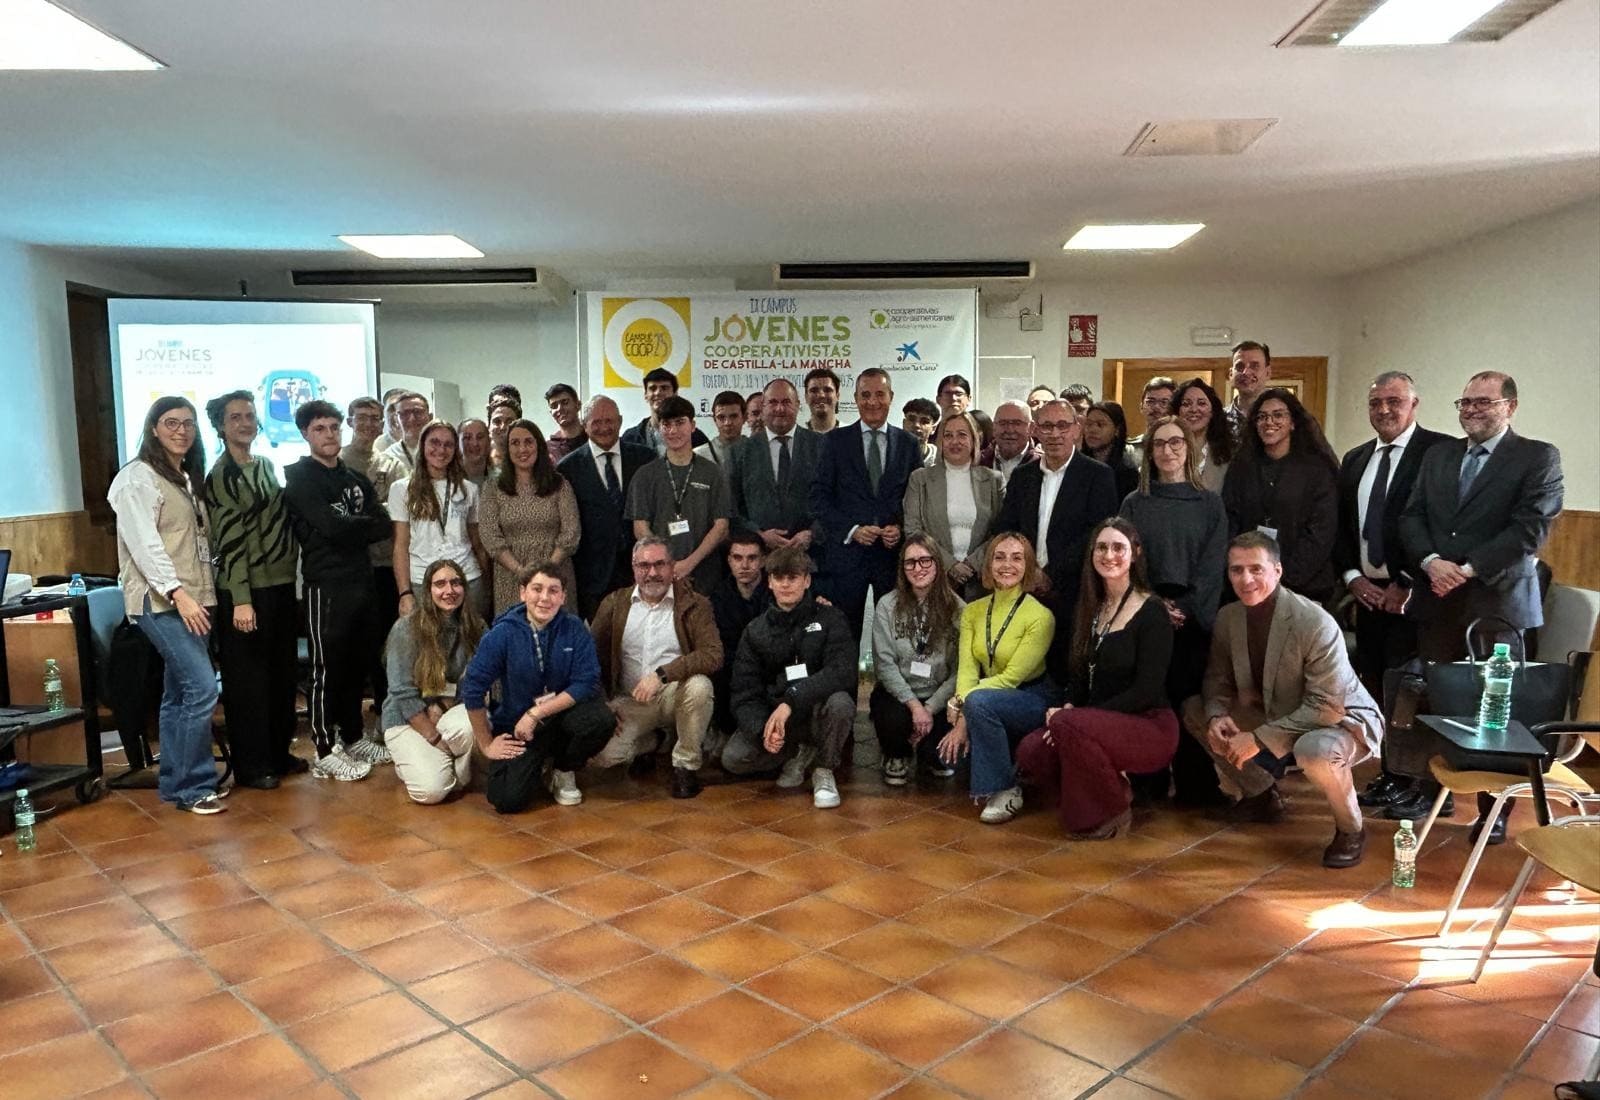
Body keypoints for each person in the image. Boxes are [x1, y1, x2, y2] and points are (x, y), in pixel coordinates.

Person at [1399, 370, 1564, 844]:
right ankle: (1432, 794)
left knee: (1497, 711)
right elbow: (1412, 516)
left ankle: (1494, 812)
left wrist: (1465, 569)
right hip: (1439, 603)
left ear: (1510, 406)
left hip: (1499, 606)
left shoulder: (1537, 457)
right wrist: (1431, 562)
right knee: (1437, 697)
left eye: (1483, 402)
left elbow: (1531, 529)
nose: (1471, 410)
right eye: (1464, 402)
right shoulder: (1439, 455)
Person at [1182, 533, 1382, 868]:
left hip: (1339, 719)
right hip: (1276, 709)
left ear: (1277, 570)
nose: (1246, 579)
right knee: (1196, 710)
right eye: (1237, 570)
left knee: (1314, 751)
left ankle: (1351, 829)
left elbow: (1326, 705)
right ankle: (1261, 796)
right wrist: (1217, 715)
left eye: (1256, 569)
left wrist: (1258, 739)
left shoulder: (1314, 622)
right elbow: (1217, 679)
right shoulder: (1228, 617)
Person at [1333, 372, 1454, 816]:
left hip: (1419, 594)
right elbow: (1343, 526)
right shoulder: (1355, 458)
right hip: (1368, 595)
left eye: (1394, 401)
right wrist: (1352, 577)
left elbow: (1440, 525)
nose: (1384, 410)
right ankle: (1394, 772)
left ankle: (1427, 787)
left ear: (1414, 404)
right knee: (1382, 687)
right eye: (1375, 403)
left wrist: (1406, 581)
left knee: (1418, 689)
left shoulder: (1439, 452)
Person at [1016, 518, 1176, 838]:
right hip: (1094, 722)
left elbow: (1147, 690)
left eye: (1119, 547)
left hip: (1149, 725)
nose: (1109, 555)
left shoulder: (1153, 611)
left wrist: (1077, 719)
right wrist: (1070, 706)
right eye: (1101, 547)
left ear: (1135, 554)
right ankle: (1114, 787)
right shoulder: (1092, 607)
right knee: (1030, 752)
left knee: (1064, 727)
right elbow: (1078, 675)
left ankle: (1111, 812)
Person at [108, 397, 226, 815]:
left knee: (179, 693)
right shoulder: (136, 479)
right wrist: (178, 592)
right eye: (171, 423)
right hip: (161, 601)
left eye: (189, 424)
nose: (181, 431)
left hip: (196, 597)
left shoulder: (184, 477)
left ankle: (176, 784)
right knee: (200, 688)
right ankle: (196, 787)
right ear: (153, 428)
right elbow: (145, 545)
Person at [1119, 415, 1229, 806]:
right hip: (1146, 611)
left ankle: (1196, 785)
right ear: (1149, 452)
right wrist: (1152, 605)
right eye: (1160, 444)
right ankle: (1147, 781)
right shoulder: (1135, 503)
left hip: (1193, 614)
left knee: (1188, 699)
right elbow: (1126, 561)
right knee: (1150, 697)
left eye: (1176, 442)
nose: (1168, 450)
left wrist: (1184, 607)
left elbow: (1213, 564)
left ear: (1189, 449)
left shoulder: (1209, 504)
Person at [282, 399, 393, 781]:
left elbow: (382, 524)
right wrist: (349, 526)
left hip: (361, 581)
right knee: (325, 669)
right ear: (305, 434)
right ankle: (325, 748)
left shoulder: (353, 478)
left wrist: (347, 525)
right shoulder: (300, 478)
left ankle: (353, 735)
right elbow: (330, 528)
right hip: (325, 586)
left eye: (333, 427)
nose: (329, 435)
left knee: (356, 664)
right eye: (319, 429)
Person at [203, 390, 300, 791]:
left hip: (279, 585)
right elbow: (229, 542)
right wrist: (241, 599)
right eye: (235, 417)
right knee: (249, 683)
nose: (245, 422)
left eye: (249, 415)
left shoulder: (264, 466)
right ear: (221, 426)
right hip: (245, 593)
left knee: (280, 675)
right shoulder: (222, 475)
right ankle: (252, 765)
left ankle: (278, 753)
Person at [460, 562, 615, 812]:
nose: (545, 598)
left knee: (601, 719)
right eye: (537, 589)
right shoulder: (502, 633)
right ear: (523, 593)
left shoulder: (575, 628)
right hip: (519, 725)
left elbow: (586, 681)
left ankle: (564, 769)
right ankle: (539, 765)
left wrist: (537, 713)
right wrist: (485, 743)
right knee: (506, 800)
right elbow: (473, 689)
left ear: (563, 597)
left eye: (553, 591)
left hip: (561, 717)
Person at [991, 398, 1119, 679]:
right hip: (1025, 587)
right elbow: (1007, 527)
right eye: (1047, 426)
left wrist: (1049, 574)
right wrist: (1029, 571)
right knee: (1025, 670)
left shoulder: (1097, 475)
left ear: (1077, 429)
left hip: (1074, 591)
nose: (1055, 434)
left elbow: (1096, 533)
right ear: (1035, 430)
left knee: (1067, 670)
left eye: (1062, 425)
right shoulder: (1023, 476)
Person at [721, 547, 857, 809]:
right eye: (779, 577)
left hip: (817, 711)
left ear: (806, 581)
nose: (785, 584)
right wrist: (763, 730)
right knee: (733, 758)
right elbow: (744, 692)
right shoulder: (755, 630)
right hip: (779, 720)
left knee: (841, 703)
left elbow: (842, 671)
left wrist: (792, 700)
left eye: (793, 577)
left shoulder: (830, 618)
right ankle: (797, 753)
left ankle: (823, 768)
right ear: (769, 581)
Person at [588, 537, 723, 799]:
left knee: (700, 687)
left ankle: (685, 766)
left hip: (675, 694)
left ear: (672, 567)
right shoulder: (615, 604)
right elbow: (590, 658)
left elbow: (713, 654)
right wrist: (601, 705)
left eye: (660, 564)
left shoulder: (695, 604)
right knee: (602, 756)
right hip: (630, 700)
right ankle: (657, 741)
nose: (652, 573)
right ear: (633, 567)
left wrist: (662, 675)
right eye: (644, 565)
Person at [937, 534, 1056, 825]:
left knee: (978, 706)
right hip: (985, 697)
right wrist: (963, 699)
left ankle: (1004, 790)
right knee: (946, 758)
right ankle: (999, 773)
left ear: (1028, 566)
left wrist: (964, 709)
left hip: (1031, 697)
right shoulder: (974, 611)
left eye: (1017, 558)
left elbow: (1010, 679)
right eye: (999, 557)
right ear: (988, 564)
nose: (1007, 565)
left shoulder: (1041, 616)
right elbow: (967, 668)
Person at [810, 368, 921, 644]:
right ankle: (844, 688)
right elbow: (819, 498)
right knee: (844, 632)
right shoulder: (835, 442)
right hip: (847, 556)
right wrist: (852, 529)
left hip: (892, 556)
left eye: (879, 394)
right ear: (856, 398)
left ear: (891, 397)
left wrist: (900, 527)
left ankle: (888, 688)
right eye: (866, 395)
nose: (873, 402)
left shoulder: (908, 444)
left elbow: (916, 497)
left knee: (896, 632)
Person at [380, 559, 485, 804]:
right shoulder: (406, 629)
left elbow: (479, 678)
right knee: (431, 792)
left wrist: (442, 706)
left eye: (456, 583)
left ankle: (444, 766)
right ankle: (423, 763)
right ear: (427, 591)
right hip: (407, 719)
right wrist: (434, 737)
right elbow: (402, 693)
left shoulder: (476, 626)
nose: (449, 590)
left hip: (448, 710)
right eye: (440, 584)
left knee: (478, 725)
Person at [1222, 388, 1339, 602]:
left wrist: (1281, 578)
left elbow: (1321, 532)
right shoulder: (1241, 467)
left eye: (1278, 415)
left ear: (1293, 422)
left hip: (1304, 587)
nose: (1269, 422)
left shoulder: (1317, 470)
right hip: (1248, 586)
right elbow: (1231, 520)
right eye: (1262, 417)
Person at [871, 535, 964, 785]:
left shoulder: (958, 608)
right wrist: (914, 707)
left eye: (925, 560)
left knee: (937, 755)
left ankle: (927, 754)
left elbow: (961, 670)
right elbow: (884, 664)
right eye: (910, 563)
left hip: (940, 696)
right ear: (902, 568)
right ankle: (896, 754)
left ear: (937, 564)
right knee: (891, 718)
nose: (918, 568)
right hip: (899, 694)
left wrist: (930, 708)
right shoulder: (886, 605)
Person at [558, 395, 656, 619]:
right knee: (601, 645)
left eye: (609, 421)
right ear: (584, 425)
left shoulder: (645, 459)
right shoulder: (568, 468)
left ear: (620, 422)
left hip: (639, 571)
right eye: (596, 422)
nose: (604, 427)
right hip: (592, 578)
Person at [626, 395, 732, 595]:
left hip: (705, 575)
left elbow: (721, 526)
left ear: (692, 425)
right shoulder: (645, 475)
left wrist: (689, 563)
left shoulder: (713, 472)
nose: (673, 430)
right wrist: (665, 564)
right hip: (658, 578)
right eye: (666, 424)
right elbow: (640, 527)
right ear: (659, 428)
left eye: (679, 422)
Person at [341, 396, 407, 711]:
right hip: (349, 569)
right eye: (361, 417)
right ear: (349, 421)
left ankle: (386, 708)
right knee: (353, 645)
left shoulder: (391, 466)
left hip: (384, 565)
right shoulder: (336, 463)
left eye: (375, 418)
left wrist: (360, 518)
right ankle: (350, 721)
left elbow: (395, 518)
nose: (368, 424)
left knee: (387, 641)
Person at [480, 418, 581, 616]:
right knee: (515, 638)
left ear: (539, 445)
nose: (522, 449)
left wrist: (545, 573)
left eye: (528, 442)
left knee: (557, 637)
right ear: (507, 449)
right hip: (511, 577)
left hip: (555, 574)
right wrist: (521, 572)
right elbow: (489, 536)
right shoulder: (493, 488)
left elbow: (571, 533)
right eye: (515, 443)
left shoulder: (559, 485)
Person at [391, 420, 489, 616]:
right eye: (434, 442)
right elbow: (400, 545)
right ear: (423, 445)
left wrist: (488, 584)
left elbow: (477, 542)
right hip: (423, 580)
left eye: (448, 445)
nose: (441, 450)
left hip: (467, 578)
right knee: (428, 645)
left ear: (455, 450)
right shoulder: (402, 489)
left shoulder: (469, 489)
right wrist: (405, 592)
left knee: (471, 643)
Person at [902, 411, 1003, 594]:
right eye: (948, 435)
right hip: (934, 578)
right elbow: (913, 529)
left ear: (974, 440)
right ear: (940, 441)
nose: (955, 441)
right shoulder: (921, 479)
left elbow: (1000, 531)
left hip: (980, 579)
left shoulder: (993, 480)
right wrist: (950, 565)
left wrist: (972, 564)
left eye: (962, 435)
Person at [727, 378, 820, 554]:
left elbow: (833, 500)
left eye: (786, 402)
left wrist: (813, 533)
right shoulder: (739, 452)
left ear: (798, 405)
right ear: (762, 407)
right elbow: (732, 509)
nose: (779, 409)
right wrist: (759, 534)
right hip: (760, 558)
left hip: (812, 557)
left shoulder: (821, 446)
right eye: (773, 402)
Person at [709, 532, 772, 743]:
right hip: (733, 668)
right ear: (729, 560)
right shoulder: (718, 597)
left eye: (752, 558)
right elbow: (718, 645)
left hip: (770, 667)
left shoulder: (778, 593)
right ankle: (723, 731)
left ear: (763, 560)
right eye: (737, 558)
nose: (744, 565)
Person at [621, 367, 709, 455]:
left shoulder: (695, 437)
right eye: (652, 388)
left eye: (664, 388)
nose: (658, 393)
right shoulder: (631, 438)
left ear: (675, 394)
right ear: (646, 395)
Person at [1172, 378, 1234, 492]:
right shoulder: (1167, 450)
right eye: (1186, 404)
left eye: (1201, 403)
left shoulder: (1230, 452)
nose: (1194, 409)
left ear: (1212, 411)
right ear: (1177, 412)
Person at [1081, 401, 1139, 502]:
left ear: (1117, 430)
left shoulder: (1127, 472)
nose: (1092, 430)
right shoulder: (1077, 465)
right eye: (1089, 424)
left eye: (1100, 424)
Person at [977, 400, 1040, 488]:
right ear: (994, 427)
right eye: (1003, 423)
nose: (1010, 430)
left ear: (1031, 427)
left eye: (1017, 423)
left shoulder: (1042, 464)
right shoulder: (977, 462)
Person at [1224, 341, 1272, 443]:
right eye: (1240, 366)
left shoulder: (1286, 418)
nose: (1246, 372)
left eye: (1254, 366)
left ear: (1268, 373)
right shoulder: (1218, 420)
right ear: (1231, 374)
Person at [1127, 376, 1176, 461]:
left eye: (1164, 402)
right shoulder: (1130, 450)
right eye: (1150, 401)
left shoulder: (1183, 448)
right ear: (1141, 406)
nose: (1156, 407)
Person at [694, 390, 746, 467]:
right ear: (714, 420)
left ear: (744, 418)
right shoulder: (699, 455)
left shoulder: (759, 451)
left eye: (733, 416)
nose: (727, 423)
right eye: (721, 417)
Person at [383, 391, 432, 472]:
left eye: (418, 412)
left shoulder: (443, 451)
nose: (412, 419)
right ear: (396, 420)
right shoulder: (389, 457)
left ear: (430, 417)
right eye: (404, 413)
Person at [543, 383, 588, 465]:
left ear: (578, 405)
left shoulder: (593, 438)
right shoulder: (548, 449)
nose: (560, 409)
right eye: (554, 406)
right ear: (551, 413)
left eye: (565, 402)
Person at [901, 398, 940, 467]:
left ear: (933, 429)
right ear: (904, 423)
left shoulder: (941, 461)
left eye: (924, 421)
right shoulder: (888, 454)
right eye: (912, 419)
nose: (916, 425)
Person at [487, 398, 522, 470]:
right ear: (488, 427)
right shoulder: (479, 462)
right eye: (497, 421)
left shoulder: (529, 461)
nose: (503, 427)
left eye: (509, 422)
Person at [804, 367, 841, 434]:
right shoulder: (796, 436)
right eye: (814, 390)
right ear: (806, 397)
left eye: (827, 390)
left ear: (837, 396)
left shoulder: (854, 435)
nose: (821, 395)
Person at [458, 417, 491, 486]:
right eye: (467, 437)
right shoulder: (449, 479)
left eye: (480, 437)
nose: (474, 443)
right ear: (457, 442)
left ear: (488, 441)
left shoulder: (500, 479)